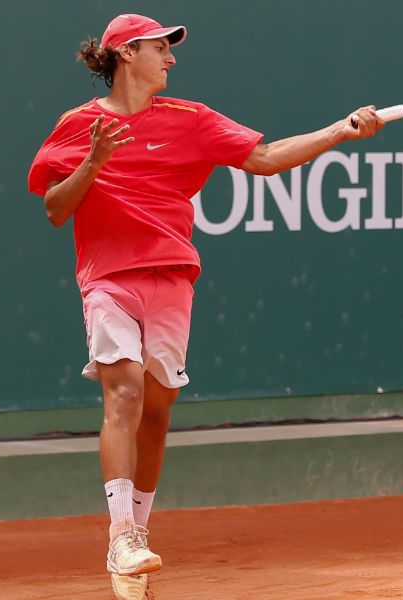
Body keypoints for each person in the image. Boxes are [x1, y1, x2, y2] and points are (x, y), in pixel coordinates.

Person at [28, 13, 383, 600]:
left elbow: (266, 158)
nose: (171, 59)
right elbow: (54, 210)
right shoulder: (78, 126)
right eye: (160, 49)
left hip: (171, 278)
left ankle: (137, 534)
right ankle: (121, 537)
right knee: (124, 394)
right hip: (109, 278)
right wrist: (91, 163)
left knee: (158, 413)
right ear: (125, 54)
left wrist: (341, 130)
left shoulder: (191, 120)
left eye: (171, 50)